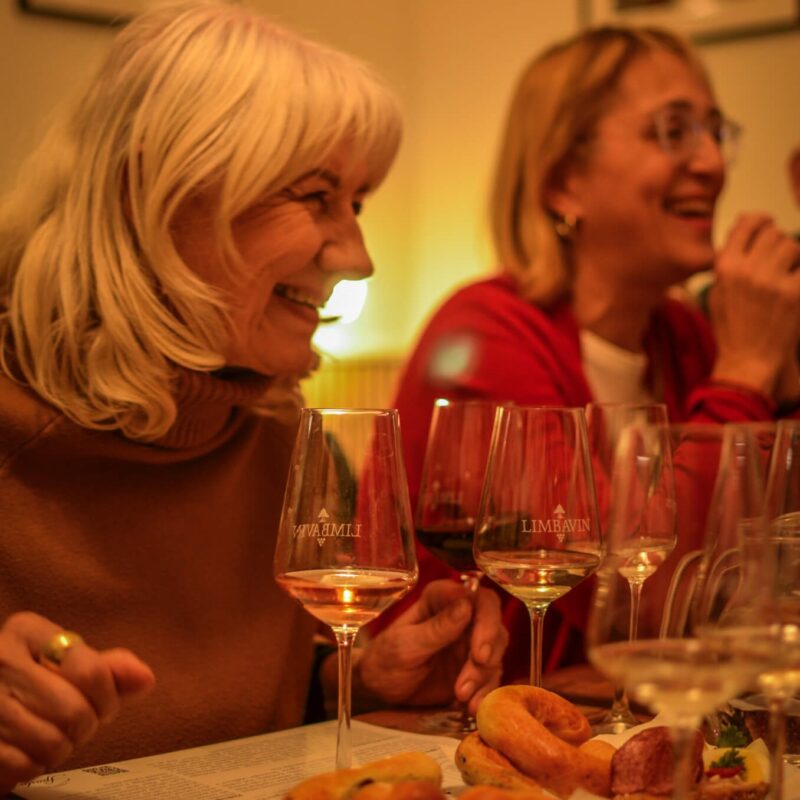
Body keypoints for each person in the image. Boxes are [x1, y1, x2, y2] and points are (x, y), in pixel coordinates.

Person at [0, 1, 507, 790]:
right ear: (155, 192)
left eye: (359, 201)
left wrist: (359, 682)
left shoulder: (281, 432)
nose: (361, 257)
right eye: (316, 197)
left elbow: (236, 729)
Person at [385, 25, 800, 681]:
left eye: (715, 133)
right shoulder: (486, 335)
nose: (713, 163)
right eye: (673, 131)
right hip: (483, 741)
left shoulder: (686, 334)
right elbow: (646, 598)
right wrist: (746, 372)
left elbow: (763, 573)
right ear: (564, 181)